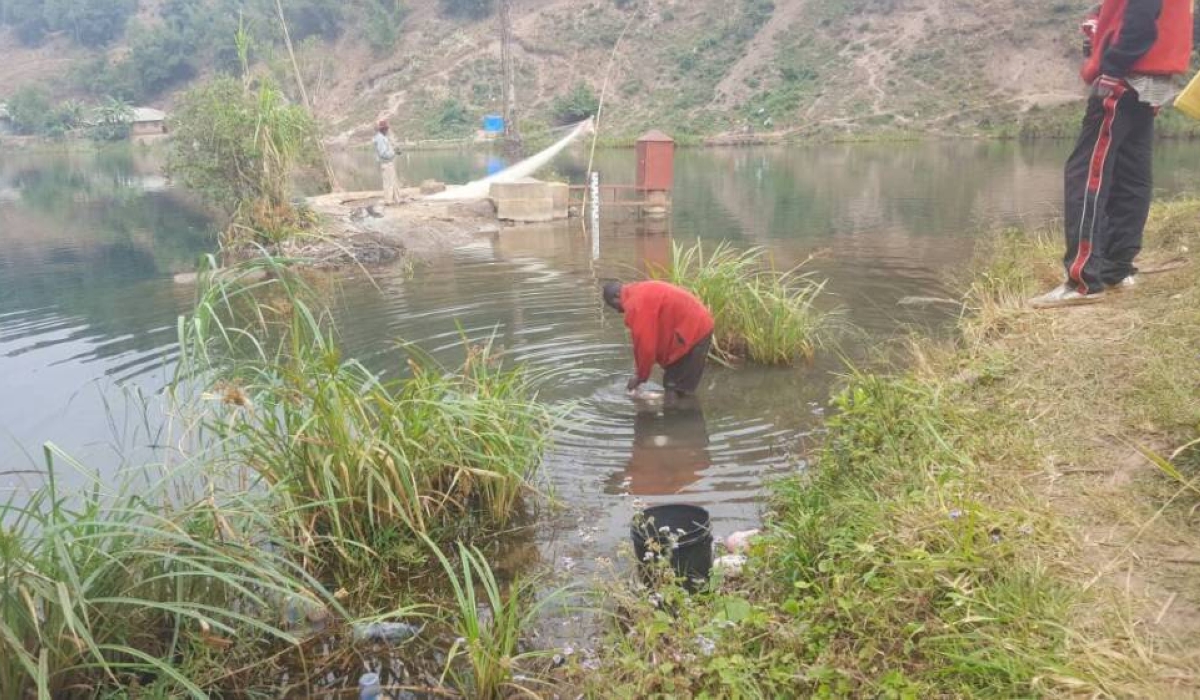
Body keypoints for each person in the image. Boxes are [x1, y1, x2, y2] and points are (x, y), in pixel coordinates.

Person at [1030, 0, 1194, 309]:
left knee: (1087, 175)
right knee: (1132, 177)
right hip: (1152, 81)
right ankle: (1117, 269)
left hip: (1126, 78)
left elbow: (1141, 16)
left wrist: (1113, 66)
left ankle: (1084, 281)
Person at [603, 280, 714, 398]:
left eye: (613, 305)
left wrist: (640, 377)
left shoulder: (635, 304)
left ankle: (675, 414)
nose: (619, 311)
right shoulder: (638, 290)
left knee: (673, 388)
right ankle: (682, 411)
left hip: (694, 332)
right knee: (680, 388)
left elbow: (645, 347)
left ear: (617, 295)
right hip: (697, 326)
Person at [373, 120, 403, 205]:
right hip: (386, 163)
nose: (387, 130)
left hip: (389, 162)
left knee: (393, 181)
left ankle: (397, 199)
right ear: (383, 129)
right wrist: (394, 153)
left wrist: (394, 151)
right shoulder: (380, 139)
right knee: (388, 183)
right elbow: (383, 154)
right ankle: (388, 201)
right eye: (386, 129)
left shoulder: (383, 137)